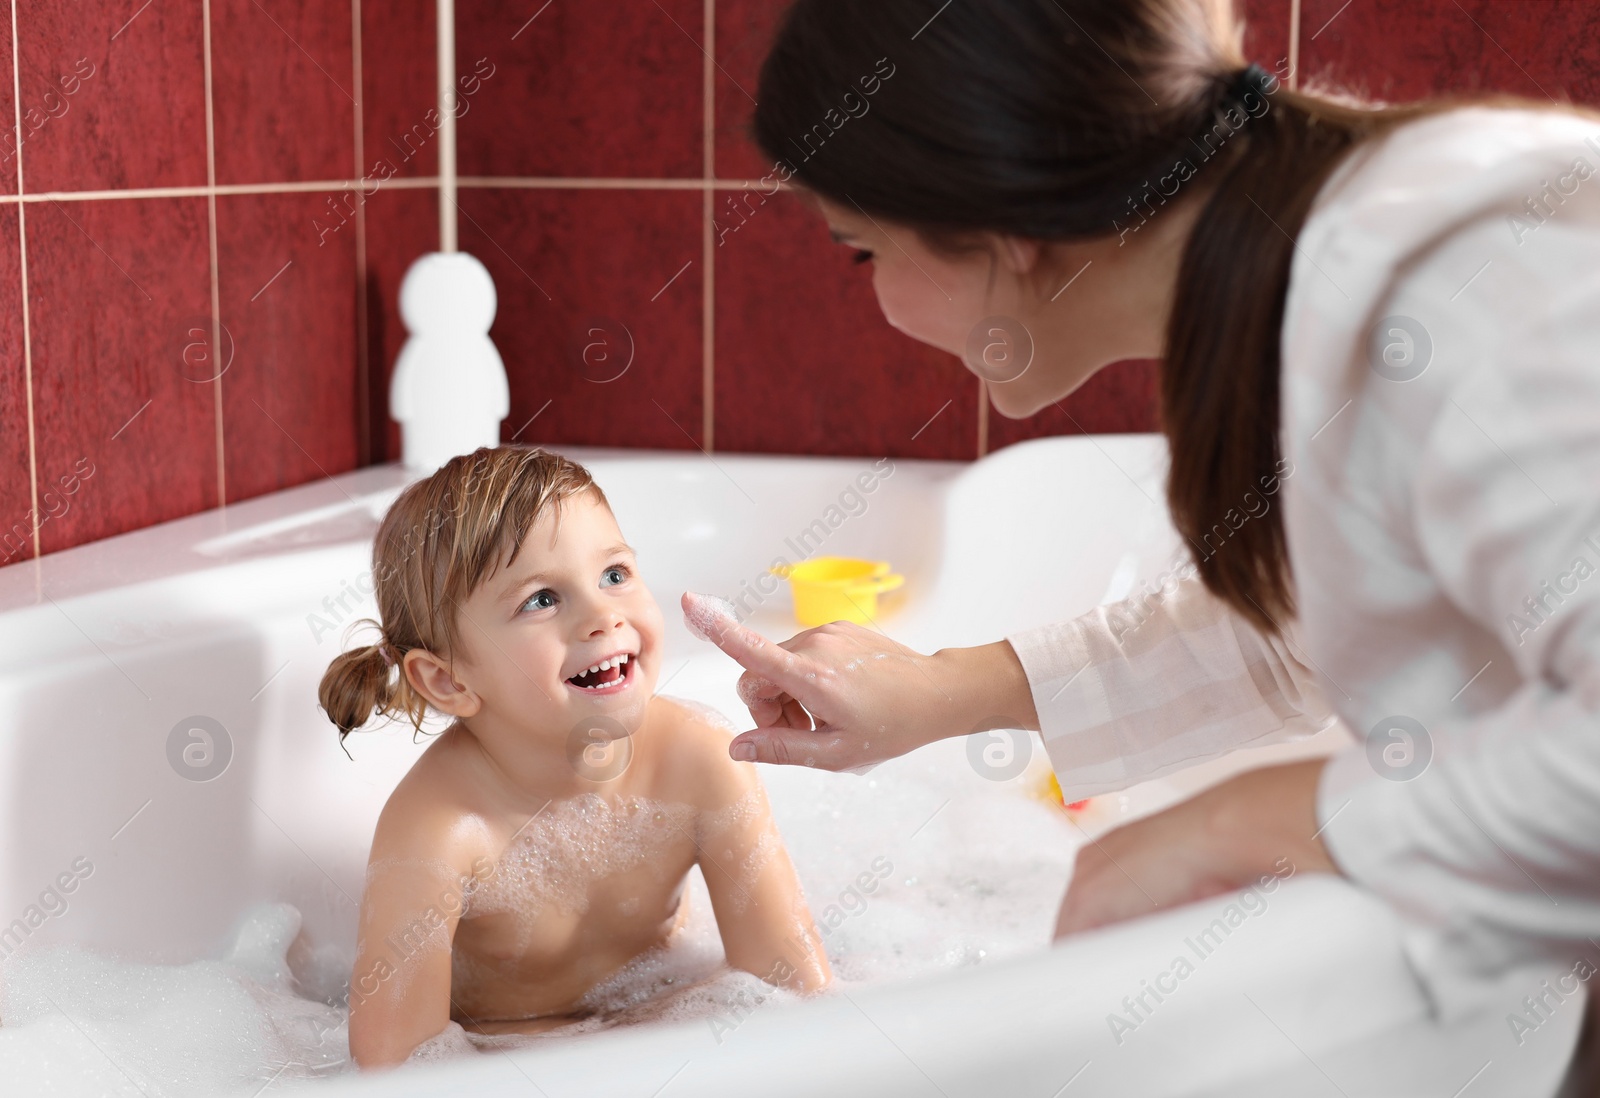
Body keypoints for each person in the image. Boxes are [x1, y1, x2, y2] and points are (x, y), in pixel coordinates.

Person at [691, 0, 1600, 1087]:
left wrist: (1234, 822)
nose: (879, 303)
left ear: (1001, 227)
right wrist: (949, 690)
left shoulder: (1471, 297)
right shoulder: (1324, 274)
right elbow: (1330, 616)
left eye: (861, 253)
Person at [318, 447, 830, 1069]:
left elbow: (794, 992)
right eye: (541, 600)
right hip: (504, 1057)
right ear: (449, 681)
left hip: (674, 1032)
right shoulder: (438, 829)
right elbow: (394, 1067)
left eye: (614, 575)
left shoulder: (699, 758)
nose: (602, 615)